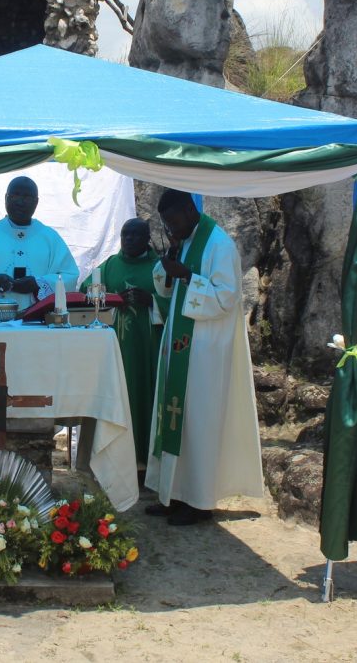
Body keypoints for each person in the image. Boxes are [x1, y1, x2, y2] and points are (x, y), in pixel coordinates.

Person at [145, 189, 263, 526]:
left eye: (174, 221)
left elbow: (227, 298)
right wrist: (168, 270)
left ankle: (199, 502)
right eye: (166, 224)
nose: (171, 228)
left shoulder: (219, 245)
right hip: (183, 344)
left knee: (199, 422)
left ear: (189, 210)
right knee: (174, 418)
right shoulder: (184, 240)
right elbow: (169, 289)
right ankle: (171, 494)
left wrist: (184, 275)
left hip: (207, 349)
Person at [82, 218, 166, 467]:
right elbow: (86, 294)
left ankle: (147, 462)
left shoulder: (159, 268)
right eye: (125, 234)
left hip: (150, 349)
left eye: (135, 235)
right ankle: (118, 461)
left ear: (147, 238)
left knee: (147, 399)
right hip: (117, 349)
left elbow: (175, 302)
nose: (128, 239)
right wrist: (114, 300)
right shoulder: (109, 267)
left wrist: (151, 301)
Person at [0, 176, 79, 318]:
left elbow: (69, 275)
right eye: (15, 195)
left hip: (39, 322)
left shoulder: (50, 238)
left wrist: (38, 284)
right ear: (6, 198)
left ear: (36, 202)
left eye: (27, 197)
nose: (20, 202)